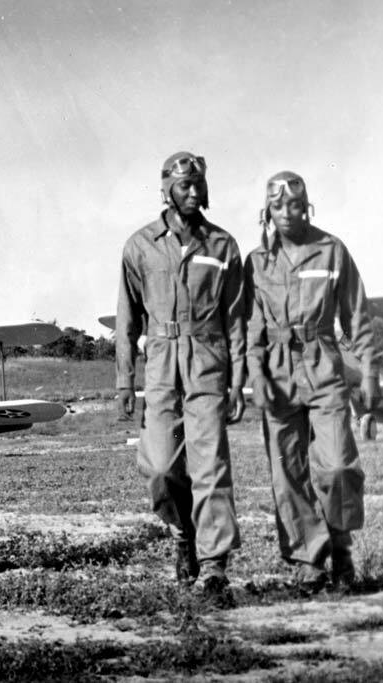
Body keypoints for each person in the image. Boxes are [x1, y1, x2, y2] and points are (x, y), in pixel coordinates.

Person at [116, 152, 246, 594]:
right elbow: (126, 318)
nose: (192, 193)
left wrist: (238, 380)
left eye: (197, 185)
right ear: (166, 189)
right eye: (183, 185)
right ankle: (183, 534)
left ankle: (213, 566)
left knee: (210, 466)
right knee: (159, 468)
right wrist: (124, 381)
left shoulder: (223, 246)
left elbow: (237, 320)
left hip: (208, 361)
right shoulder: (140, 245)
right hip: (160, 363)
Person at [245, 171, 380, 593]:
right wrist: (256, 374)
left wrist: (371, 371)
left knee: (338, 464)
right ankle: (311, 562)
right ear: (267, 211)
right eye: (279, 206)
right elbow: (250, 327)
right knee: (288, 472)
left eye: (297, 205)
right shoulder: (256, 262)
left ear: (308, 207)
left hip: (323, 363)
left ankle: (341, 549)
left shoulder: (331, 250)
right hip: (278, 370)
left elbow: (357, 317)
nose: (288, 213)